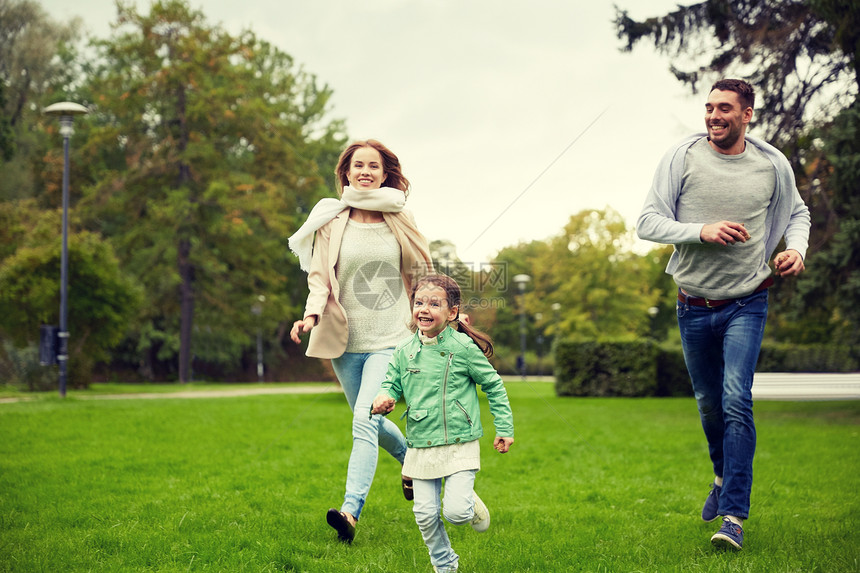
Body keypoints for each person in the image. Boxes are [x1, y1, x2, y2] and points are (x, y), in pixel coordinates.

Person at [636, 79, 810, 550]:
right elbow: (647, 221)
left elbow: (798, 213)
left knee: (736, 398)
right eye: (709, 107)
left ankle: (733, 514)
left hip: (747, 300)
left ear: (747, 114)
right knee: (708, 402)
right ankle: (720, 472)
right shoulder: (682, 157)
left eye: (725, 108)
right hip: (692, 304)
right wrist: (701, 230)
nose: (714, 116)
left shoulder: (772, 163)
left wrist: (795, 248)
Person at [288, 139, 434, 543]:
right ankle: (411, 460)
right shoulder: (332, 220)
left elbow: (423, 273)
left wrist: (442, 313)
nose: (365, 171)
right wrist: (310, 316)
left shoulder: (400, 217)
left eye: (373, 165)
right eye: (358, 166)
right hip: (345, 343)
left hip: (391, 339)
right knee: (369, 419)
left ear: (385, 173)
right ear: (346, 173)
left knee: (363, 421)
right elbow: (319, 277)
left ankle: (350, 512)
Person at [371, 274, 514, 573]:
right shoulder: (403, 350)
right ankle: (445, 564)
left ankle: (469, 502)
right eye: (419, 302)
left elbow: (493, 386)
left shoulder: (462, 347)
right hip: (421, 441)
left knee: (457, 513)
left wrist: (504, 428)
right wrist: (384, 398)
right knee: (424, 514)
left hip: (460, 441)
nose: (424, 309)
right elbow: (390, 383)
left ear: (451, 313)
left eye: (434, 303)